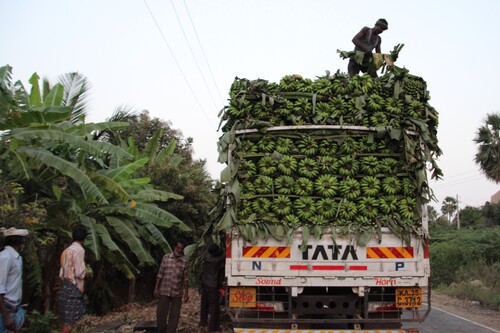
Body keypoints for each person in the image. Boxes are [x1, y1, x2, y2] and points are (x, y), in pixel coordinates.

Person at [59, 225, 90, 333]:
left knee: (67, 321)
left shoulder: (66, 250)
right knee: (69, 324)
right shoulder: (79, 250)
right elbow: (80, 273)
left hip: (65, 286)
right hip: (73, 288)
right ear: (84, 239)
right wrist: (88, 272)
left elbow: (63, 271)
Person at [154, 242, 189, 333]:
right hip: (164, 290)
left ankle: (171, 331)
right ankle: (161, 330)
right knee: (161, 313)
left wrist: (186, 293)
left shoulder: (184, 261)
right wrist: (156, 288)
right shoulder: (166, 258)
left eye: (181, 249)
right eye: (178, 248)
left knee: (175, 315)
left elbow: (185, 278)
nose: (179, 250)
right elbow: (160, 274)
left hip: (177, 291)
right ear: (174, 247)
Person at [0, 227, 29, 333]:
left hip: (14, 309)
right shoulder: (5, 258)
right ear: (18, 241)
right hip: (5, 311)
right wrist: (6, 316)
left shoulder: (16, 258)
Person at [199, 244, 225, 333]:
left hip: (205, 283)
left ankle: (203, 322)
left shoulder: (206, 256)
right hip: (212, 285)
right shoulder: (216, 260)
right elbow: (224, 255)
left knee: (204, 304)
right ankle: (213, 327)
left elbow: (207, 249)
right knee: (214, 307)